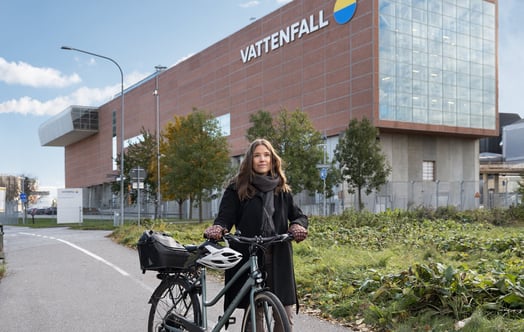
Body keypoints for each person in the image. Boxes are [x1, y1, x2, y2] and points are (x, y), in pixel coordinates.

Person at [204, 138, 308, 331]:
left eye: (266, 155)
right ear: (250, 159)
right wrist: (219, 229)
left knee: (284, 314)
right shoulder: (237, 187)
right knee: (255, 312)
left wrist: (296, 226)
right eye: (257, 155)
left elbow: (299, 216)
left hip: (278, 255)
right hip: (249, 253)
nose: (262, 159)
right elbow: (225, 218)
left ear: (272, 159)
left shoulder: (282, 189)